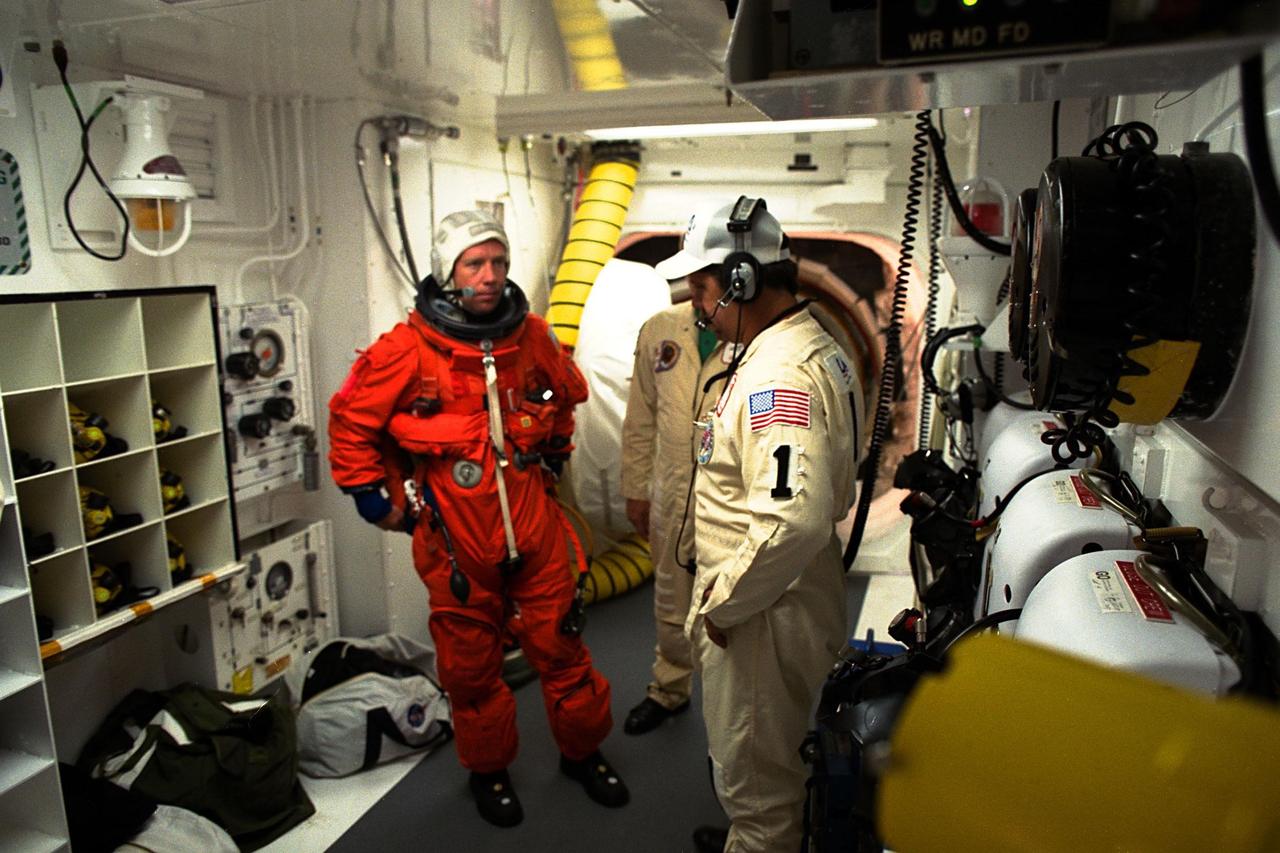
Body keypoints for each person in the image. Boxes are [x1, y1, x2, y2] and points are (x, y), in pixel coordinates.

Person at [327, 209, 628, 828]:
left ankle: (583, 753)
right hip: (457, 545)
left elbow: (562, 398)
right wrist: (377, 503)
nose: (489, 275)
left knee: (564, 650)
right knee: (470, 672)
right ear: (448, 272)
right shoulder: (406, 351)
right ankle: (488, 771)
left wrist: (553, 452)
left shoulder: (533, 338)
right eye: (474, 264)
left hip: (535, 533)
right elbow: (351, 424)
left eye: (498, 262)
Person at [654, 198, 860, 852]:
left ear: (739, 280)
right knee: (774, 763)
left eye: (701, 289)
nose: (697, 306)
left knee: (757, 789)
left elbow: (791, 521)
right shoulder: (810, 342)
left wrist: (725, 605)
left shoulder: (779, 375)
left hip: (761, 614)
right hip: (784, 595)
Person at [619, 299, 732, 734]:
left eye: (707, 283)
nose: (700, 294)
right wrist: (636, 489)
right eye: (694, 284)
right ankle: (669, 688)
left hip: (730, 499)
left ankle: (733, 707)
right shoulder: (662, 329)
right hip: (671, 494)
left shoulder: (755, 331)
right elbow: (640, 417)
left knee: (732, 603)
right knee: (670, 598)